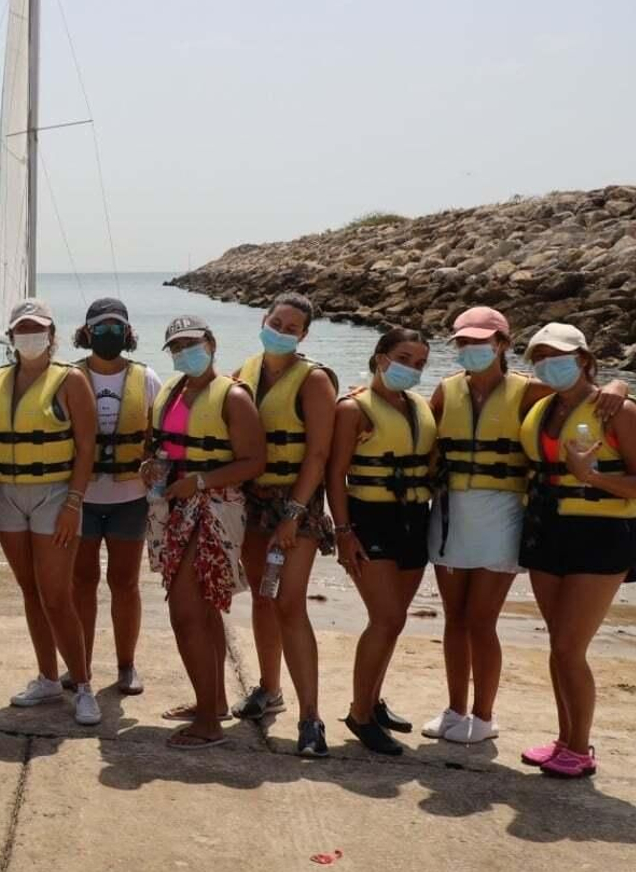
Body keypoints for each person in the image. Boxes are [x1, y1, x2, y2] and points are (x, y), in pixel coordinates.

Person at [422, 306, 630, 746]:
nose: (471, 349)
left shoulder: (530, 391)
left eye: (481, 342)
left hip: (502, 513)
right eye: (463, 342)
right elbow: (414, 422)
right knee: (453, 619)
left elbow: (588, 399)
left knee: (482, 620)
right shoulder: (444, 391)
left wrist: (619, 383)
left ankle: (484, 715)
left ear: (502, 344)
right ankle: (455, 708)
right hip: (449, 513)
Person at [518, 323, 636, 778]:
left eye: (557, 355)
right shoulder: (541, 405)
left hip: (602, 535)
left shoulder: (619, 411)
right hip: (547, 530)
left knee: (569, 646)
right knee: (557, 647)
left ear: (584, 359)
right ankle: (564, 740)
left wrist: (592, 476)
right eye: (538, 357)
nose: (547, 364)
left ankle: (580, 749)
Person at [143, 316, 266, 750]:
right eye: (176, 347)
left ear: (211, 344)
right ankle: (210, 704)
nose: (184, 353)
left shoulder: (232, 396)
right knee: (205, 612)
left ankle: (210, 725)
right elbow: (162, 444)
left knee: (187, 612)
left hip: (214, 508)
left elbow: (253, 461)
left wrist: (197, 482)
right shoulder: (174, 392)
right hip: (175, 505)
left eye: (191, 344)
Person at [230, 293, 338, 758]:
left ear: (304, 336)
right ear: (264, 319)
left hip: (296, 506)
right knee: (261, 596)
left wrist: (293, 515)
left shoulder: (313, 381)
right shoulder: (245, 370)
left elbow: (317, 454)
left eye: (292, 327)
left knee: (290, 604)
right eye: (276, 321)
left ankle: (311, 717)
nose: (282, 330)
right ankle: (268, 689)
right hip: (252, 501)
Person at [0, 299, 103, 726]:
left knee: (57, 595)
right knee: (30, 590)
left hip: (54, 494)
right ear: (11, 336)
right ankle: (47, 678)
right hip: (7, 494)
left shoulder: (70, 380)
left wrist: (75, 502)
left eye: (37, 329)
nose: (29, 336)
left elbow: (87, 447)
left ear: (52, 335)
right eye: (21, 329)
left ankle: (85, 686)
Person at [327, 328, 435, 756]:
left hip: (413, 517)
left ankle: (373, 700)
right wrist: (342, 531)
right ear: (380, 357)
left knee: (396, 619)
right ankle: (359, 713)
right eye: (404, 357)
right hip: (369, 519)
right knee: (385, 618)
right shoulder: (353, 408)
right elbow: (335, 474)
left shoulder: (419, 406)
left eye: (421, 363)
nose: (412, 368)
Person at [69, 298, 161, 700]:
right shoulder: (68, 378)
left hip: (130, 497)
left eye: (116, 327)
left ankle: (126, 664)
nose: (109, 334)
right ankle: (80, 665)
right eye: (101, 327)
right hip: (80, 497)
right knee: (81, 581)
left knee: (125, 583)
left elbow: (163, 436)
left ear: (128, 333)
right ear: (86, 333)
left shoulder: (147, 377)